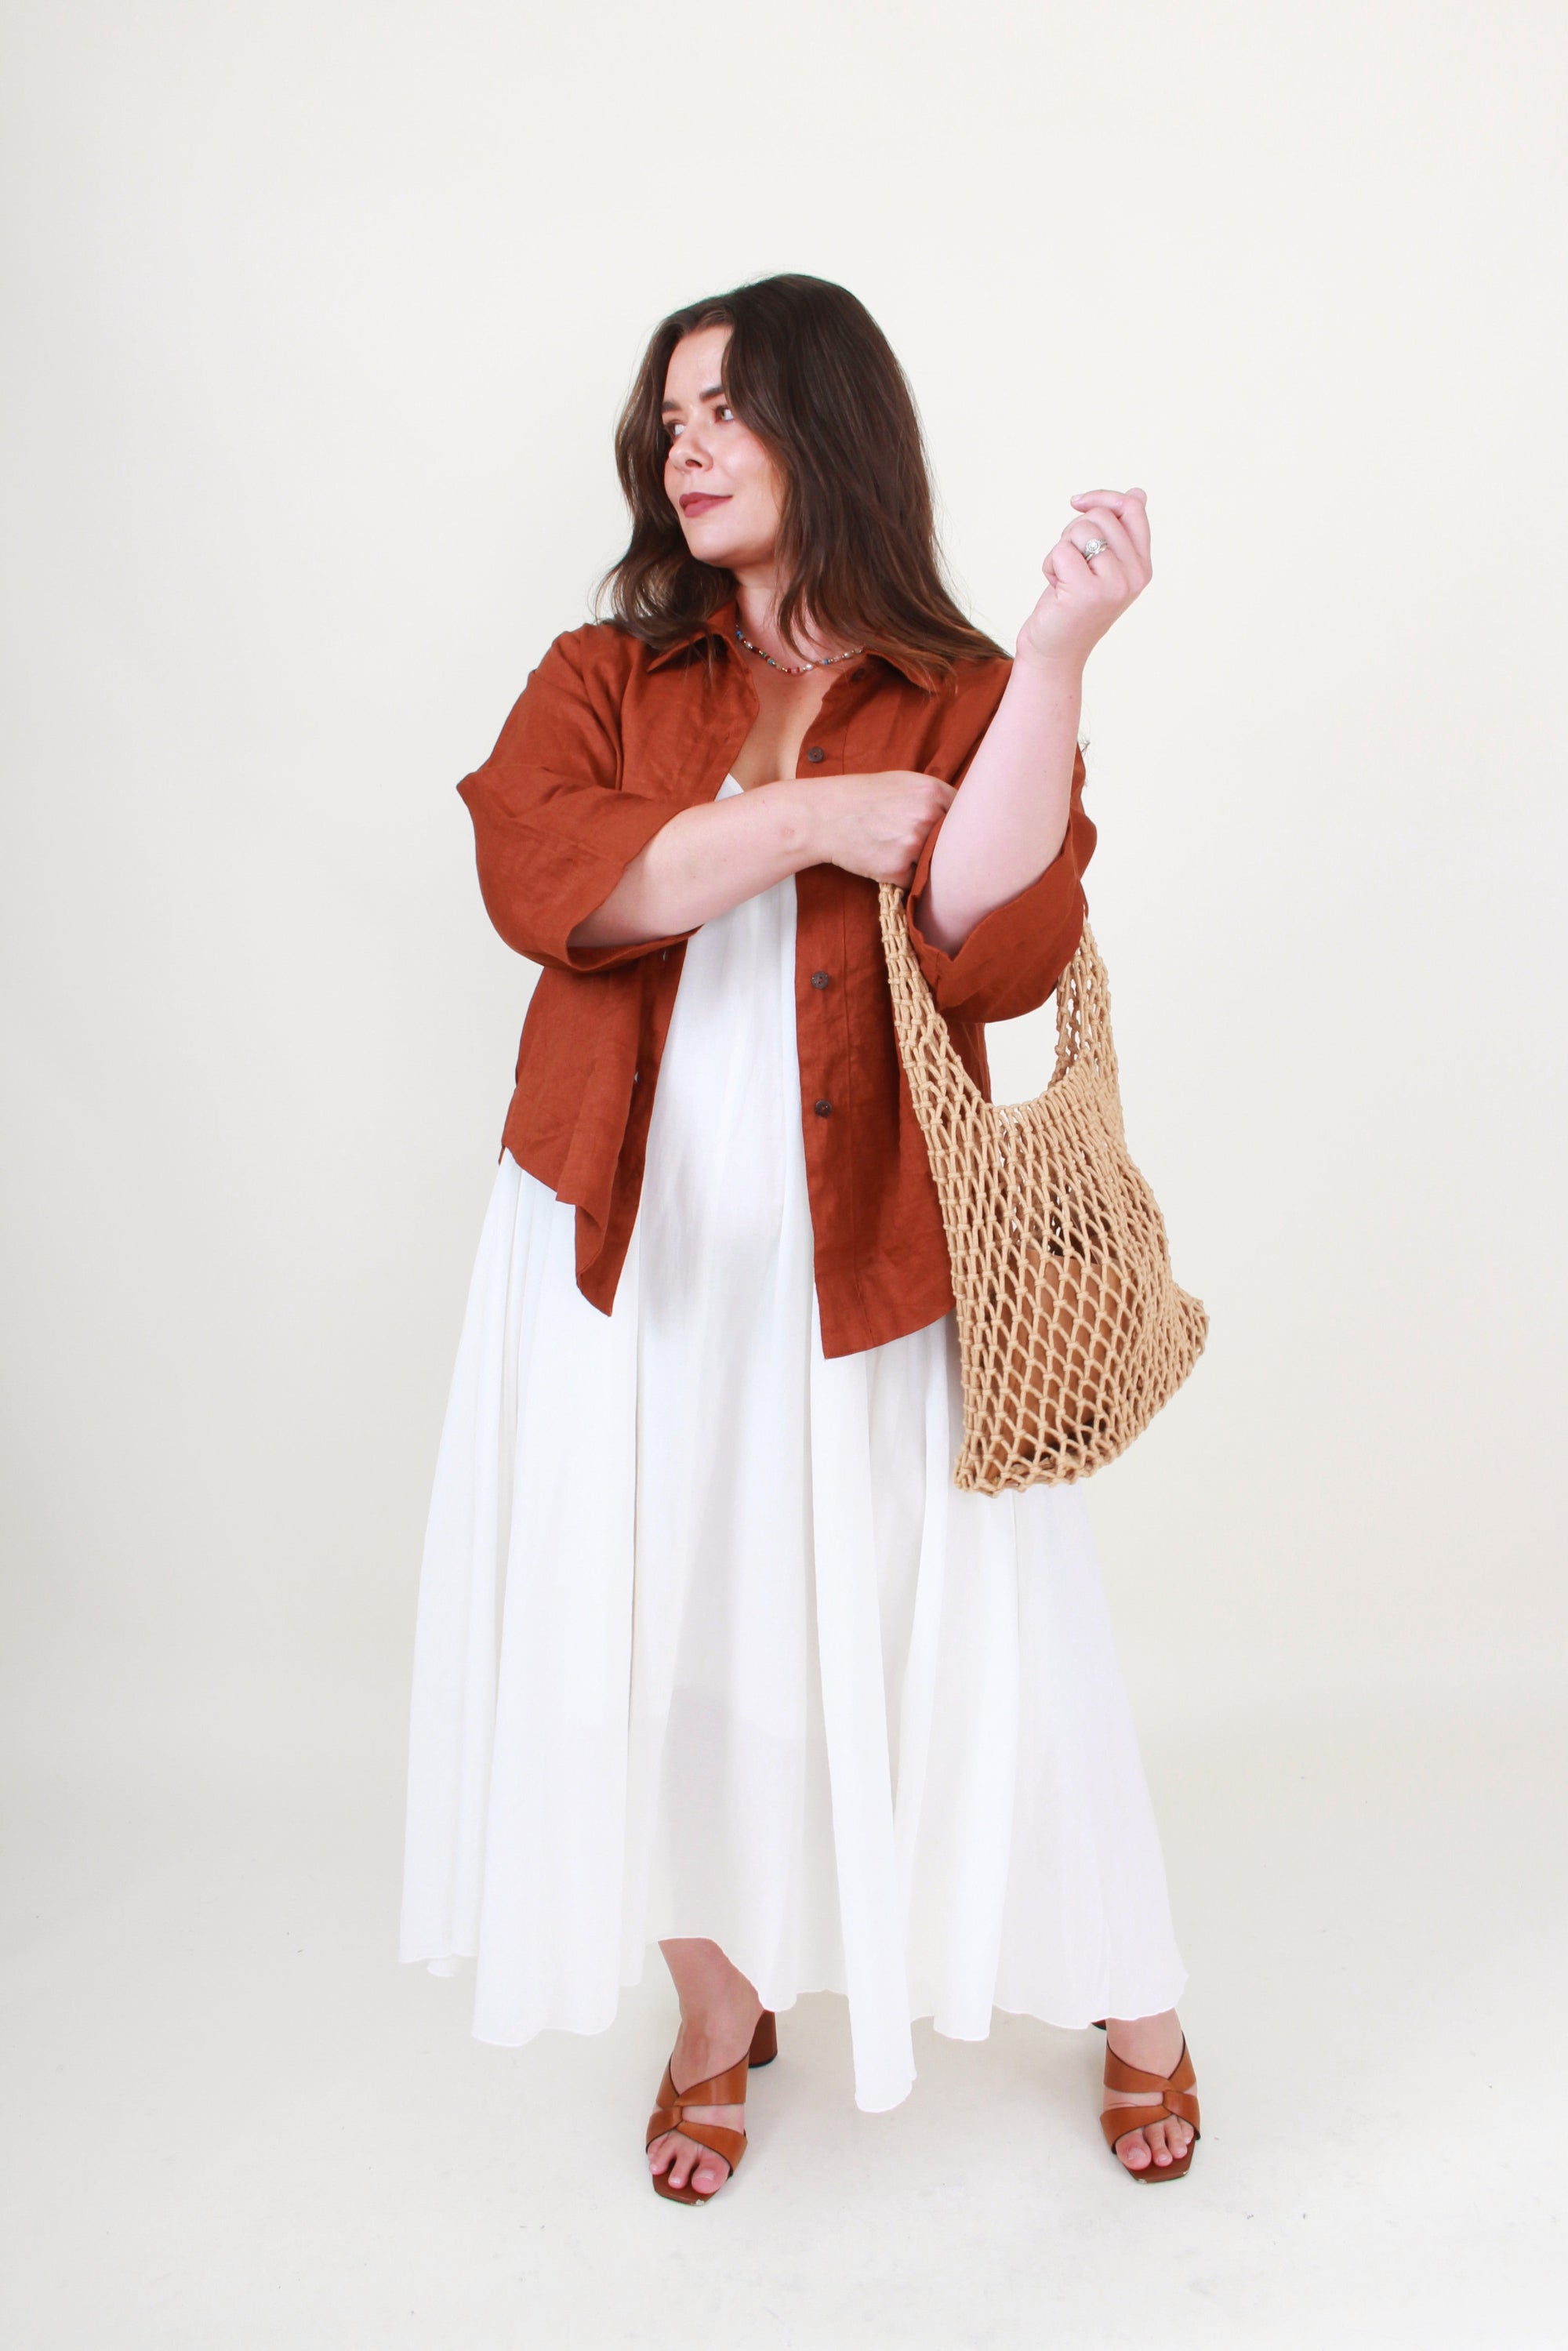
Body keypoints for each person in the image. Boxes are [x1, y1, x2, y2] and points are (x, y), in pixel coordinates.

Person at [401, 273, 1200, 2201]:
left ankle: (1138, 2001)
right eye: (669, 416)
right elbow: (551, 879)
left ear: (826, 428)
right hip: (621, 1250)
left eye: (729, 410)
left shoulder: (961, 685)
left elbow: (992, 939)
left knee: (988, 1637)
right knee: (665, 1625)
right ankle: (715, 2006)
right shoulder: (607, 674)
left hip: (872, 1263)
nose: (685, 445)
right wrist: (811, 818)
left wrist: (1066, 653)